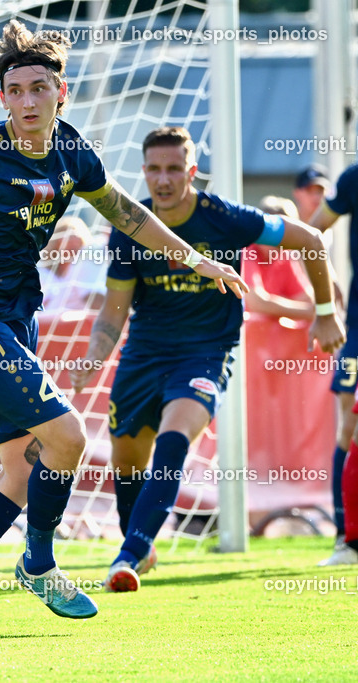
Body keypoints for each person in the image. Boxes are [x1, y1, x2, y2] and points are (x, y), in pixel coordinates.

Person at [0, 22, 247, 636]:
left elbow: (129, 215)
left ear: (61, 92)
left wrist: (198, 260)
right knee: (69, 437)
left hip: (15, 321)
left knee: (23, 471)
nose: (27, 101)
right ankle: (40, 564)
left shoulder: (73, 152)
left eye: (39, 88)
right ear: (2, 98)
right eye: (15, 90)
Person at [71, 127, 344, 592]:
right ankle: (138, 542)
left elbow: (311, 240)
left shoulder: (226, 218)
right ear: (143, 171)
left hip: (205, 354)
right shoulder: (130, 228)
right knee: (127, 461)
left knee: (175, 439)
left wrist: (324, 313)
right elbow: (113, 312)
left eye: (174, 169)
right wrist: (93, 357)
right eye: (155, 169)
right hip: (144, 355)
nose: (164, 179)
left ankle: (130, 553)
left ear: (192, 171)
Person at [308, 161, 358, 565]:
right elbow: (312, 232)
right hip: (357, 328)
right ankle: (347, 539)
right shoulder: (353, 179)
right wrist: (327, 291)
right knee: (349, 423)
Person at [242, 196, 314, 321]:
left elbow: (307, 299)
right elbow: (256, 303)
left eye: (288, 233)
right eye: (275, 231)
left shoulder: (284, 256)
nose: (281, 239)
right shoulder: (246, 250)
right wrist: (308, 313)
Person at [37, 215, 105, 311]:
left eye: (77, 247)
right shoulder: (43, 275)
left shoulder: (84, 271)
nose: (73, 252)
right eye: (67, 241)